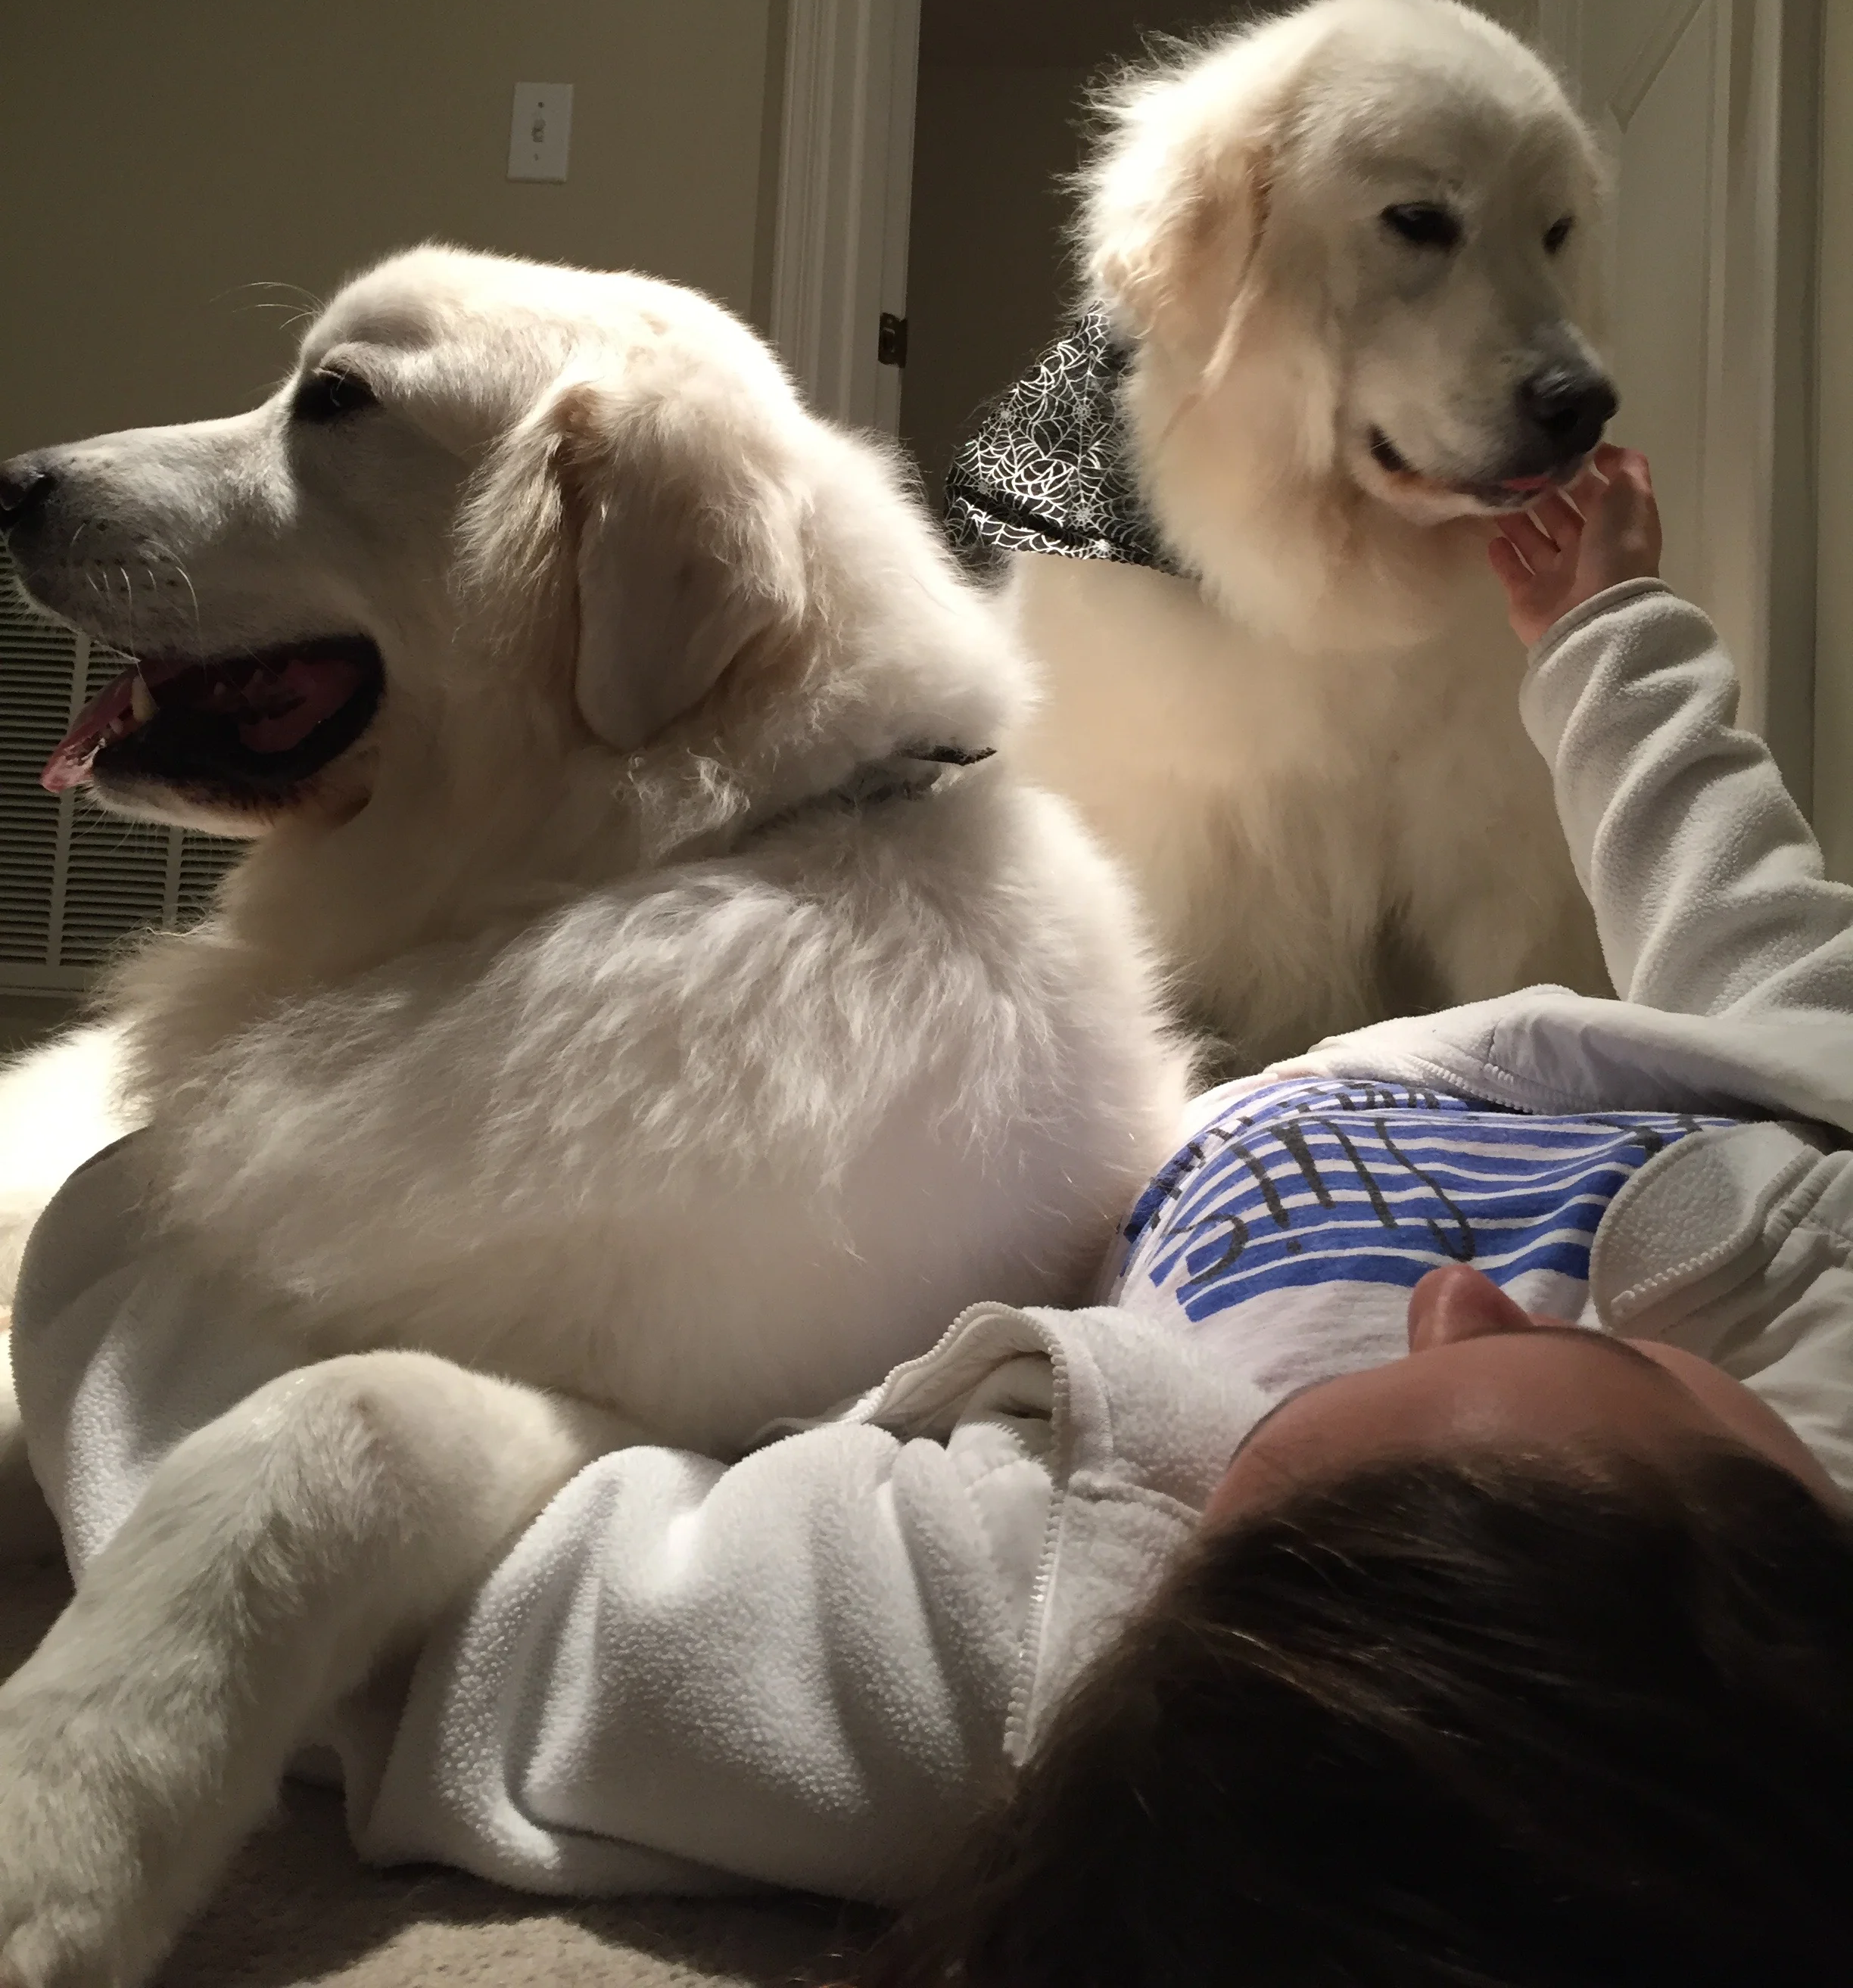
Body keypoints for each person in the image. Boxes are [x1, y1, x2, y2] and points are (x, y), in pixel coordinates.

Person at [9, 450, 1853, 1977]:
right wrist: (1608, 632)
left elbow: (534, 1631)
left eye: (1366, 1430)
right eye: (1652, 1402)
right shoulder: (1827, 1354)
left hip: (1052, 1151)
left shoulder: (1059, 1635)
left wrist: (127, 1250)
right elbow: (1769, 975)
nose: (1463, 1298)